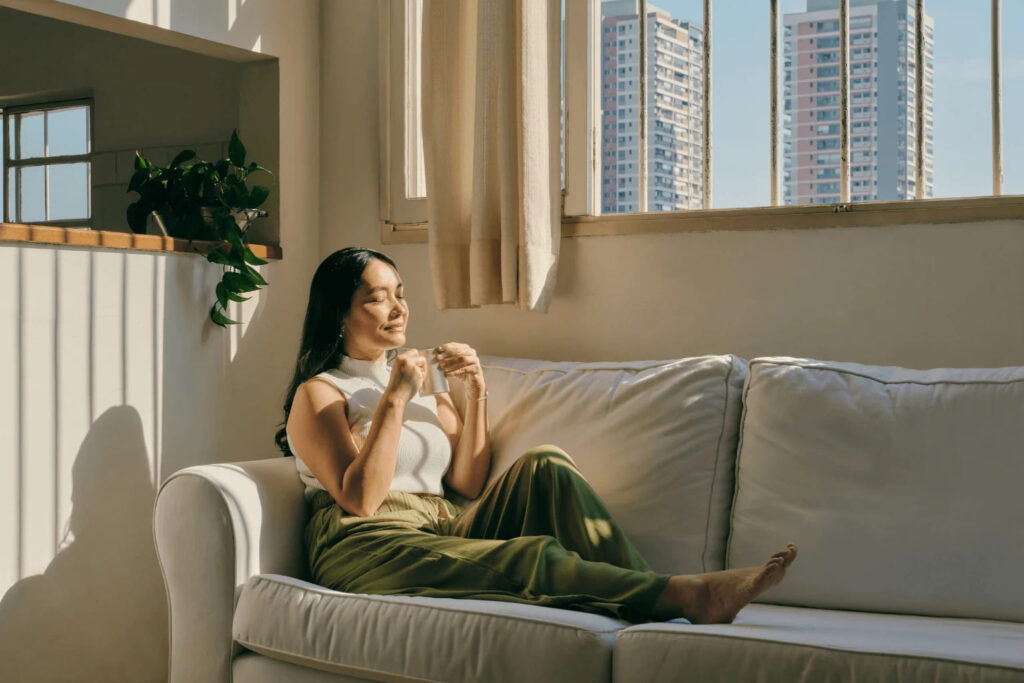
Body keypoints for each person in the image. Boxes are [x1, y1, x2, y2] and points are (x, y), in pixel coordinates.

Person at [275, 246, 797, 624]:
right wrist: (394, 398)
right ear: (340, 316)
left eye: (401, 295)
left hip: (443, 523)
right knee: (529, 555)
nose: (398, 309)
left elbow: (469, 481)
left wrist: (474, 389)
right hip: (365, 543)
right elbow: (361, 499)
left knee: (546, 463)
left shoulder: (419, 376)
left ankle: (653, 604)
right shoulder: (321, 393)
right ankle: (686, 598)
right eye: (377, 299)